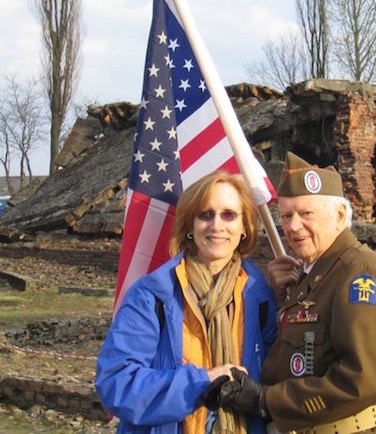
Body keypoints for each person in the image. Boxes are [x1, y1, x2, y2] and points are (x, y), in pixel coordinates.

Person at [218, 152, 376, 433]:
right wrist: (280, 300)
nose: (292, 226)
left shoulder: (358, 271)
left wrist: (266, 400)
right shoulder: (314, 271)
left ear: (340, 215)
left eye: (306, 214)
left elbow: (364, 378)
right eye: (287, 215)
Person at [95, 171, 279, 434]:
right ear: (190, 227)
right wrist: (202, 382)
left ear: (244, 228)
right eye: (205, 214)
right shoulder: (153, 295)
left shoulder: (260, 297)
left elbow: (277, 378)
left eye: (229, 214)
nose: (217, 225)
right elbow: (116, 383)